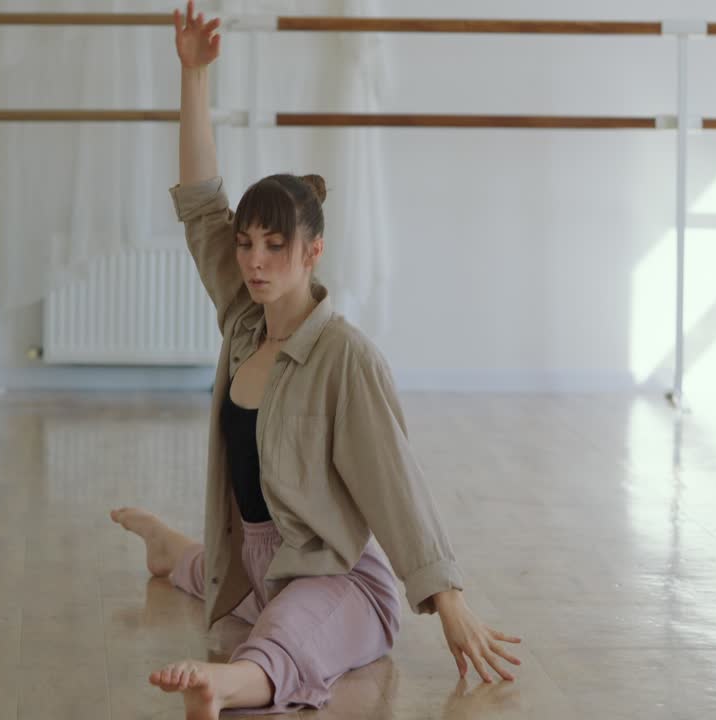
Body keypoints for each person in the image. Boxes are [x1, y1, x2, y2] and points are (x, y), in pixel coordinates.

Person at [110, 3, 521, 716]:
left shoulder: (345, 357)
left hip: (336, 578)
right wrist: (194, 76)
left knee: (280, 637)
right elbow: (202, 203)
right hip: (263, 559)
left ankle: (219, 688)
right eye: (246, 245)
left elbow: (397, 484)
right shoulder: (243, 320)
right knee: (218, 573)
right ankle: (167, 545)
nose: (255, 261)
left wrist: (448, 602)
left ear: (312, 252)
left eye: (274, 246)